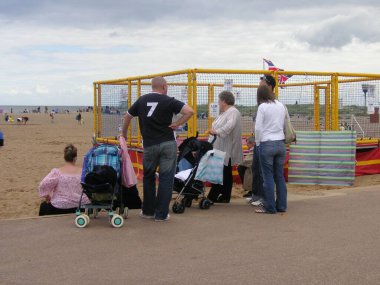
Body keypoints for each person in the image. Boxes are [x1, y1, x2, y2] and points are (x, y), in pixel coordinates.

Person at [122, 76, 194, 221]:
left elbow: (128, 116)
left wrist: (123, 134)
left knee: (148, 177)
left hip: (149, 145)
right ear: (164, 87)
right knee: (166, 178)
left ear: (152, 86)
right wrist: (177, 123)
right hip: (168, 143)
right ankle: (161, 214)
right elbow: (189, 111)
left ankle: (148, 211)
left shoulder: (142, 100)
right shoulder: (169, 100)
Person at [254, 85, 287, 214]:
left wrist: (257, 143)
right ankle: (282, 206)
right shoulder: (280, 105)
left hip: (266, 143)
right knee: (279, 176)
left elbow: (258, 128)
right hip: (280, 143)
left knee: (267, 176)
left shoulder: (262, 107)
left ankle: (269, 206)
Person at [207, 91, 243, 203]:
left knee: (222, 172)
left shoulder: (233, 112)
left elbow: (229, 126)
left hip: (227, 148)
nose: (218, 103)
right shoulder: (225, 113)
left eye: (219, 100)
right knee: (224, 172)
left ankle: (219, 195)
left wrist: (217, 132)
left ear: (224, 101)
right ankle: (223, 195)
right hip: (220, 147)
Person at [247, 75, 277, 205]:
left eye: (262, 84)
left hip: (266, 141)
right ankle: (256, 194)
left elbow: (263, 126)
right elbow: (258, 125)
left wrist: (256, 139)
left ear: (269, 86)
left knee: (263, 170)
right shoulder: (261, 103)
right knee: (256, 168)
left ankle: (263, 197)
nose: (259, 86)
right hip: (261, 140)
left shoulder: (272, 103)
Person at [39, 144, 90, 216]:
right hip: (80, 205)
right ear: (75, 158)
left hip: (60, 205)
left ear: (64, 157)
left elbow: (43, 184)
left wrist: (47, 196)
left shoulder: (57, 172)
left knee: (44, 206)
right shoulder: (83, 172)